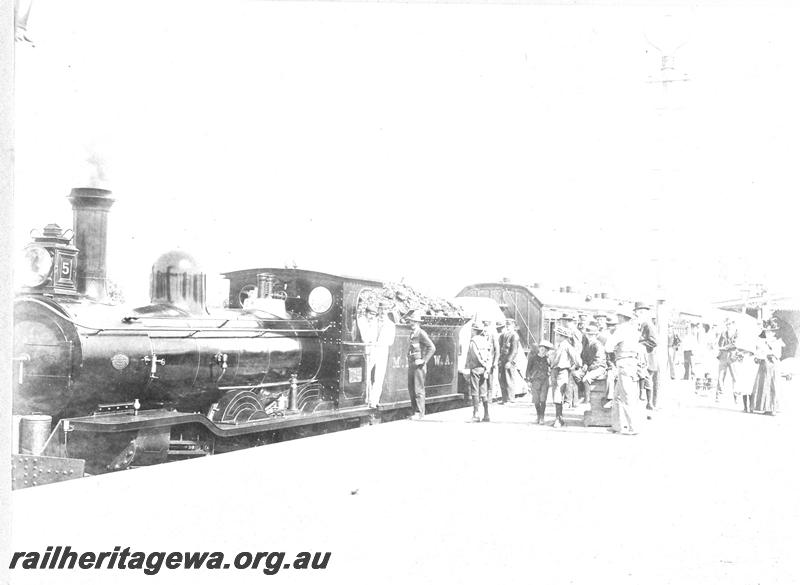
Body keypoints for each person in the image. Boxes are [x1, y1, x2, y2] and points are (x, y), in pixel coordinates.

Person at [605, 308, 647, 435]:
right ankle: (617, 426)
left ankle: (633, 427)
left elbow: (608, 347)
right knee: (617, 396)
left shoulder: (621, 330)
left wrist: (615, 347)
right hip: (632, 363)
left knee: (626, 396)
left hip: (623, 363)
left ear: (622, 317)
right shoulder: (634, 330)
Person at [405, 310, 436, 420]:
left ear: (418, 323)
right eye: (411, 321)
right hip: (412, 364)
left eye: (414, 322)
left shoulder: (421, 333)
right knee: (412, 388)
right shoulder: (412, 333)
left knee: (418, 389)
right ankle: (415, 412)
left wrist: (423, 360)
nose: (411, 323)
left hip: (419, 366)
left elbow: (432, 348)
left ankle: (419, 413)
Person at [550, 325, 581, 428]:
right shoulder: (558, 345)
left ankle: (558, 420)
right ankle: (559, 418)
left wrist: (574, 367)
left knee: (558, 394)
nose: (556, 336)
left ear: (562, 336)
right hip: (555, 371)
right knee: (555, 395)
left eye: (557, 335)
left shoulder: (566, 345)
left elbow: (577, 359)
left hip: (562, 371)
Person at [751, 319, 784, 416]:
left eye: (771, 331)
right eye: (767, 331)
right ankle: (763, 407)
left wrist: (770, 353)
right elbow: (757, 353)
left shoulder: (777, 342)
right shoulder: (761, 342)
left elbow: (778, 354)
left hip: (772, 365)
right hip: (763, 365)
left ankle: (772, 408)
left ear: (774, 332)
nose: (769, 333)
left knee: (772, 385)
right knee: (763, 385)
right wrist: (759, 356)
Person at [466, 322, 494, 422]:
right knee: (483, 392)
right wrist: (487, 367)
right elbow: (490, 355)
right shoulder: (485, 341)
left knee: (475, 391)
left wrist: (479, 364)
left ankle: (476, 415)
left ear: (474, 330)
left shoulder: (473, 341)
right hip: (484, 369)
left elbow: (474, 355)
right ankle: (486, 415)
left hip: (476, 368)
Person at [370, 301, 396, 407]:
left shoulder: (391, 325)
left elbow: (390, 341)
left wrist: (379, 343)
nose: (383, 311)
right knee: (366, 374)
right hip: (370, 350)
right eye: (381, 309)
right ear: (379, 310)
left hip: (382, 351)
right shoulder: (373, 321)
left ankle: (374, 401)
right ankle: (367, 397)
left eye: (385, 309)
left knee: (379, 377)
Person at [634, 301, 658, 410]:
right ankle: (643, 402)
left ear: (645, 313)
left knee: (647, 379)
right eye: (637, 312)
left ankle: (649, 403)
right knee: (641, 379)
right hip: (641, 358)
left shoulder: (648, 325)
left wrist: (641, 343)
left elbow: (654, 342)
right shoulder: (640, 324)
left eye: (640, 312)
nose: (638, 314)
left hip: (648, 357)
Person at [526, 340, 553, 424]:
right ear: (539, 349)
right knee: (536, 400)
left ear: (547, 351)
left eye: (545, 350)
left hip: (545, 381)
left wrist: (551, 378)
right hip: (535, 381)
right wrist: (528, 380)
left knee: (543, 399)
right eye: (541, 349)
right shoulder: (533, 358)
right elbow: (528, 370)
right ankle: (538, 415)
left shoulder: (548, 359)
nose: (543, 351)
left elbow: (552, 369)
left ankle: (542, 417)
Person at [498, 319, 522, 403]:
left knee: (509, 379)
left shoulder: (514, 336)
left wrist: (509, 361)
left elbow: (514, 350)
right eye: (507, 325)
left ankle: (510, 399)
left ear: (513, 326)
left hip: (509, 360)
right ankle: (504, 399)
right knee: (502, 379)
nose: (507, 326)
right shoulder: (504, 335)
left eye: (509, 325)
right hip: (503, 359)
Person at [716, 319, 739, 403]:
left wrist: (724, 347)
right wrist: (722, 346)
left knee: (735, 377)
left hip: (733, 357)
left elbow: (736, 344)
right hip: (723, 356)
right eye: (727, 324)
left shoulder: (737, 333)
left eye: (729, 324)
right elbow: (719, 344)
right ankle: (718, 395)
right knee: (720, 376)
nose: (728, 326)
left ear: (734, 324)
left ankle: (736, 396)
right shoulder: (723, 333)